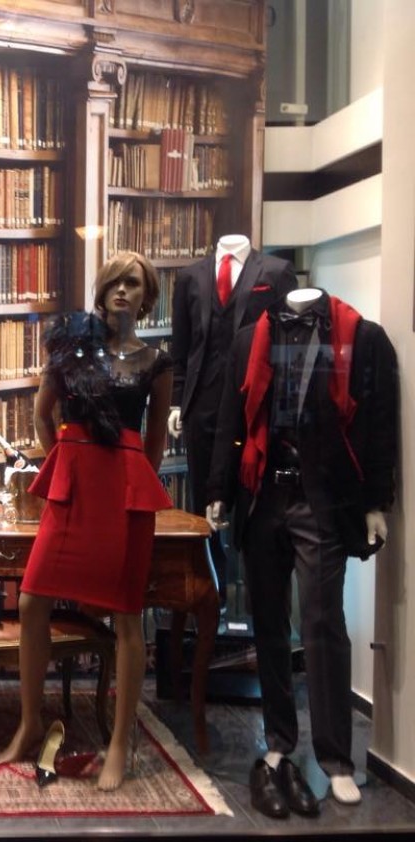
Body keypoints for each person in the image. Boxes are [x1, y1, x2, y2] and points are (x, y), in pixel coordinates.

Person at [205, 287, 398, 817]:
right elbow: (231, 418)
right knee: (269, 623)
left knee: (322, 623)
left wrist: (376, 501)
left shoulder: (361, 337)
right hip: (262, 495)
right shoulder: (250, 339)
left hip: (321, 499)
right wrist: (219, 489)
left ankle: (336, 758)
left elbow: (379, 424)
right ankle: (279, 740)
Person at [0, 251, 174, 791]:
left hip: (123, 490)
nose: (122, 290)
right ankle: (30, 722)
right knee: (31, 601)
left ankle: (118, 742)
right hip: (73, 485)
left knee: (126, 615)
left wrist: (128, 476)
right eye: (115, 281)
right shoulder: (73, 349)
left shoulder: (156, 362)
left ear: (147, 297)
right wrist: (66, 458)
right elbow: (41, 413)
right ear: (101, 289)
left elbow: (155, 443)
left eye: (133, 283)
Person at [168, 235, 297, 618]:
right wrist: (177, 401)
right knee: (203, 503)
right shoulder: (190, 277)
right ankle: (212, 595)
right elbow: (181, 345)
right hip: (203, 402)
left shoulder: (275, 272)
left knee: (252, 503)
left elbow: (288, 340)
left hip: (254, 402)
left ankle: (258, 600)